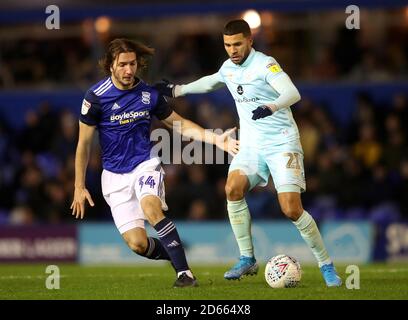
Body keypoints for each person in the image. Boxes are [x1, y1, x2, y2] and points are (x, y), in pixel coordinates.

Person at [155, 20, 342, 287]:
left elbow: (292, 92)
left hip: (281, 144)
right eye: (227, 45)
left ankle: (326, 264)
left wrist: (272, 106)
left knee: (291, 209)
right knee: (232, 189)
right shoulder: (229, 68)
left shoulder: (265, 64)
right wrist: (177, 90)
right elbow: (211, 82)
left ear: (250, 41)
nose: (232, 50)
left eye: (237, 44)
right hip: (252, 146)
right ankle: (247, 258)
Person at [70, 38, 239, 288]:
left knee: (151, 207)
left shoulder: (148, 95)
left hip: (145, 164)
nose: (129, 70)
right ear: (110, 66)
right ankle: (175, 256)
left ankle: (185, 274)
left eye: (133, 64)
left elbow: (179, 123)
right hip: (114, 176)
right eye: (123, 64)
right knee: (138, 244)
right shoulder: (95, 97)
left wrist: (215, 139)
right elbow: (83, 143)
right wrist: (79, 185)